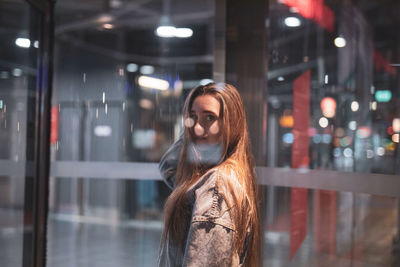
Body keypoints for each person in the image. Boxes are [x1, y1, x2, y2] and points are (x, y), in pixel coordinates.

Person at [158, 83, 261, 267]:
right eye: (193, 117)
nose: (197, 128)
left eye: (209, 118)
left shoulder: (216, 187)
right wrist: (192, 133)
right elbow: (169, 166)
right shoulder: (221, 175)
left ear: (231, 124)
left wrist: (194, 131)